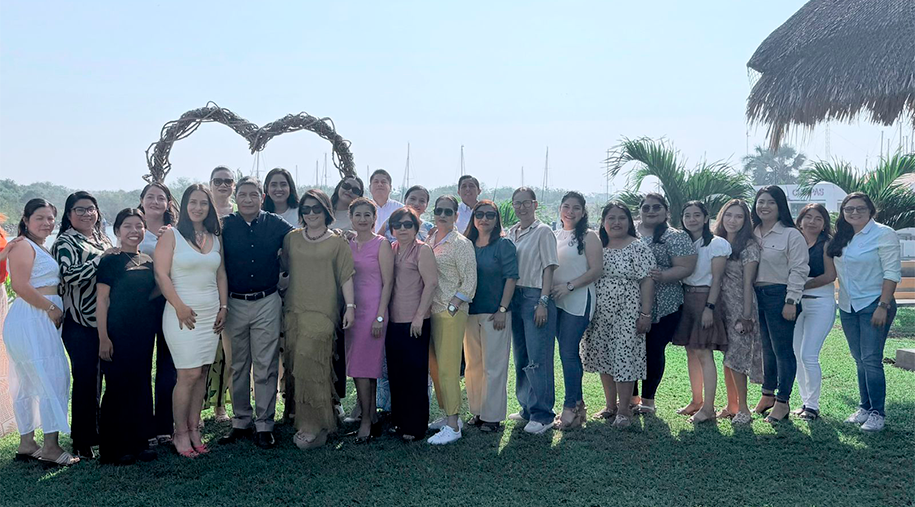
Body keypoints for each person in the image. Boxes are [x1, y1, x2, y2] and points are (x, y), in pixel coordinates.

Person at [217, 177, 293, 450]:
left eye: (253, 195)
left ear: (262, 197)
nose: (248, 199)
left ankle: (264, 425)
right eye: (243, 195)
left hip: (267, 300)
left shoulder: (275, 224)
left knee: (265, 365)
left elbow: (303, 236)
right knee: (237, 365)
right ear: (236, 198)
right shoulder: (224, 226)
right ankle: (241, 421)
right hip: (234, 302)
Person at [3, 199, 79, 466]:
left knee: (30, 379)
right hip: (33, 317)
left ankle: (28, 443)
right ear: (25, 219)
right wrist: (51, 308)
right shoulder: (23, 245)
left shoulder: (37, 246)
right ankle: (50, 447)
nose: (47, 223)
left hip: (34, 318)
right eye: (40, 218)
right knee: (52, 377)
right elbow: (21, 286)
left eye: (50, 218)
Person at [154, 184, 228, 458]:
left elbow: (220, 274)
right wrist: (179, 306)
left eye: (203, 203)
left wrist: (224, 306)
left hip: (211, 315)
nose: (198, 207)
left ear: (210, 208)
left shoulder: (214, 236)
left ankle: (195, 427)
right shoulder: (171, 235)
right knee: (187, 374)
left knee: (203, 372)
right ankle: (180, 432)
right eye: (193, 202)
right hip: (181, 313)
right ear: (184, 206)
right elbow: (161, 274)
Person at [282, 189, 355, 449]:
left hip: (324, 311)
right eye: (306, 209)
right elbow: (285, 269)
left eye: (316, 208)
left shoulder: (338, 241)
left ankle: (313, 424)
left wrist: (350, 306)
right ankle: (311, 417)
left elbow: (346, 275)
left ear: (326, 211)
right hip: (294, 310)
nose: (311, 213)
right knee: (298, 367)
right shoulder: (291, 238)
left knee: (311, 363)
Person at [51, 191, 116, 459]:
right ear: (69, 215)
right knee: (86, 380)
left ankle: (100, 431)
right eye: (80, 210)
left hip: (105, 321)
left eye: (91, 209)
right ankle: (82, 439)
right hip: (80, 322)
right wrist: (103, 259)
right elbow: (70, 275)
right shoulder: (65, 242)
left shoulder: (102, 238)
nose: (87, 214)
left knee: (104, 378)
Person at [580, 202, 655, 429]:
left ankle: (624, 410)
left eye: (621, 218)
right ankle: (610, 406)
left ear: (629, 222)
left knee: (625, 356)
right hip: (599, 311)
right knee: (604, 356)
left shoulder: (638, 247)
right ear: (603, 222)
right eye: (611, 218)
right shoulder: (597, 246)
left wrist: (646, 313)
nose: (616, 222)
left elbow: (647, 281)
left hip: (628, 310)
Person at [830, 192, 901, 432]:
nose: (854, 213)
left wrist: (883, 305)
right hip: (848, 306)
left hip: (874, 304)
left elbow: (891, 273)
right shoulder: (844, 236)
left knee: (871, 360)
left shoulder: (884, 234)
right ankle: (864, 407)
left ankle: (877, 414)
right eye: (849, 209)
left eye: (860, 208)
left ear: (870, 210)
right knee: (859, 359)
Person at [96, 208, 158, 465]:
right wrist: (103, 337)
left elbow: (155, 291)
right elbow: (102, 300)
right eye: (128, 226)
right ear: (118, 231)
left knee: (141, 384)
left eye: (139, 226)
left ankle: (140, 443)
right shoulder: (110, 260)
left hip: (143, 332)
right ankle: (115, 447)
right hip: (117, 331)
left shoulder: (148, 260)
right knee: (118, 388)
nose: (134, 231)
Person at [632, 193, 697, 415]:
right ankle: (631, 397)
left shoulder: (675, 236)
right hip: (628, 302)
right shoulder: (629, 232)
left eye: (656, 207)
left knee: (653, 349)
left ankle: (648, 400)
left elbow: (686, 267)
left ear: (666, 212)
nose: (651, 211)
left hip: (665, 303)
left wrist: (661, 275)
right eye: (646, 207)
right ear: (640, 210)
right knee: (627, 349)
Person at [751, 185, 809, 423]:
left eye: (770, 202)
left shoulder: (791, 234)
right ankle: (767, 395)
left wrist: (791, 300)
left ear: (780, 206)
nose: (764, 206)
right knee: (767, 350)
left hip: (780, 296)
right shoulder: (751, 232)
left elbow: (799, 268)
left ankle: (783, 401)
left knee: (783, 351)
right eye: (761, 201)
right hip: (756, 295)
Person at [672, 201, 731, 423]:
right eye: (687, 215)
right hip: (686, 298)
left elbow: (717, 279)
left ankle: (708, 408)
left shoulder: (716, 244)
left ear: (706, 218)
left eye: (697, 215)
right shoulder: (685, 243)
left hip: (705, 298)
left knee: (704, 353)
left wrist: (710, 307)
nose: (692, 219)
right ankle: (696, 401)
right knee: (691, 351)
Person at [506, 187, 559, 434]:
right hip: (515, 297)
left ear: (535, 204)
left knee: (539, 358)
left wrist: (543, 302)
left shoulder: (543, 231)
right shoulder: (512, 232)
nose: (521, 207)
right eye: (517, 203)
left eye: (526, 203)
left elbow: (549, 268)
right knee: (522, 356)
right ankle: (527, 407)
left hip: (535, 296)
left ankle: (543, 414)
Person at [425, 195, 476, 444]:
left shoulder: (461, 243)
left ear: (457, 215)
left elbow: (469, 281)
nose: (442, 215)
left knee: (447, 368)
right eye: (438, 210)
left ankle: (454, 424)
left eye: (448, 211)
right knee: (435, 367)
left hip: (450, 312)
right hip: (430, 310)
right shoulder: (430, 238)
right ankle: (447, 415)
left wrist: (454, 305)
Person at [464, 200, 518, 432]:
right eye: (480, 214)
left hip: (494, 314)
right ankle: (477, 411)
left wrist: (502, 309)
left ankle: (492, 417)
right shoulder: (466, 245)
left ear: (497, 220)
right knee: (473, 366)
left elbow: (511, 278)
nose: (484, 219)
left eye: (490, 215)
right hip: (470, 313)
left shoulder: (503, 244)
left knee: (494, 367)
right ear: (473, 218)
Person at [549, 192, 601, 429]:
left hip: (578, 301)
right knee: (565, 353)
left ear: (583, 212)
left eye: (576, 208)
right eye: (566, 206)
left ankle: (570, 407)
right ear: (560, 209)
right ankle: (578, 406)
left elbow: (596, 270)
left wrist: (569, 286)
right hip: (556, 302)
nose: (570, 211)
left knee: (568, 353)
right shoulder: (554, 235)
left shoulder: (589, 236)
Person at [386, 207, 437, 441]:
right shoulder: (391, 249)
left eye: (408, 224)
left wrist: (419, 316)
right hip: (393, 321)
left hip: (415, 322)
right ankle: (399, 421)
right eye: (398, 225)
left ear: (416, 227)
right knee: (396, 374)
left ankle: (415, 426)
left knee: (414, 375)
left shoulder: (422, 250)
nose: (403, 229)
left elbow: (431, 284)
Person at [345, 197, 393, 442]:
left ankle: (365, 420)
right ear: (351, 218)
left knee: (364, 368)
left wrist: (380, 315)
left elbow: (388, 282)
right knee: (359, 367)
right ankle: (371, 416)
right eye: (358, 215)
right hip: (352, 311)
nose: (362, 219)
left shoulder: (381, 244)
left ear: (375, 218)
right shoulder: (348, 244)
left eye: (367, 215)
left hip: (373, 312)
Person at [714, 199, 762, 425]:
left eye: (738, 216)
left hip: (740, 306)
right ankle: (731, 405)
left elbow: (747, 283)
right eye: (728, 215)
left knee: (737, 357)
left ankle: (744, 408)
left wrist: (746, 315)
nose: (732, 220)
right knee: (727, 357)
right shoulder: (717, 242)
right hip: (720, 306)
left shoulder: (749, 246)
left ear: (745, 221)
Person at [138, 182, 179, 445]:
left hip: (168, 302)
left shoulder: (174, 232)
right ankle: (142, 426)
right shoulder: (131, 228)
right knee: (140, 365)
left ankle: (165, 424)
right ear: (141, 200)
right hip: (138, 306)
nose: (155, 201)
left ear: (168, 203)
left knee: (168, 366)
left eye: (160, 198)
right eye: (150, 197)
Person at [792, 203, 837, 421]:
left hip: (820, 303)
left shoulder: (826, 244)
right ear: (799, 221)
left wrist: (800, 286)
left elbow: (830, 275)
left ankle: (813, 406)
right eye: (808, 217)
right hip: (795, 304)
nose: (812, 222)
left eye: (818, 218)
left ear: (824, 224)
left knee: (809, 355)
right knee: (796, 355)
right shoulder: (793, 241)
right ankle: (804, 402)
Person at [328, 175, 363, 422]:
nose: (349, 191)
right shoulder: (321, 212)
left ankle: (338, 399)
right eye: (346, 186)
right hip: (320, 287)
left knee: (341, 347)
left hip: (349, 289)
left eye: (355, 190)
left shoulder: (358, 219)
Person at [205, 166, 236, 423]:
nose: (223, 185)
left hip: (233, 289)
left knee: (227, 353)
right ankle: (198, 404)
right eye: (218, 181)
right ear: (210, 184)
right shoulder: (201, 212)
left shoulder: (239, 212)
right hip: (204, 289)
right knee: (204, 351)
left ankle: (220, 406)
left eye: (228, 181)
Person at [369, 169, 403, 234]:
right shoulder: (363, 207)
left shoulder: (400, 209)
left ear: (390, 187)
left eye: (383, 182)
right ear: (370, 187)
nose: (379, 184)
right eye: (376, 182)